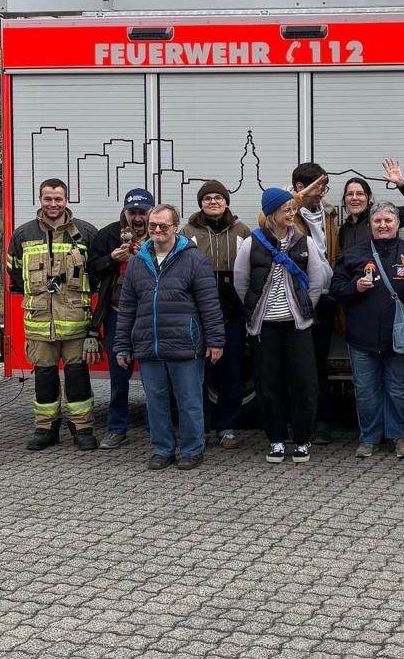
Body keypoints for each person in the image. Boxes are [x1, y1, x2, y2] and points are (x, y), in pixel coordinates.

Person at [114, 204, 225, 470]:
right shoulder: (137, 262)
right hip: (149, 345)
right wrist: (122, 346)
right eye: (153, 225)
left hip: (185, 344)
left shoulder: (194, 259)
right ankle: (162, 449)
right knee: (155, 403)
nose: (157, 230)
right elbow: (127, 308)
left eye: (163, 226)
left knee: (189, 401)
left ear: (175, 227)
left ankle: (192, 450)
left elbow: (210, 303)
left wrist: (215, 341)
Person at [233, 187, 330, 464]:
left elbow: (317, 281)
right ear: (271, 213)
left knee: (304, 384)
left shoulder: (304, 242)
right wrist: (257, 310)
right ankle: (276, 440)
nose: (291, 213)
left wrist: (304, 308)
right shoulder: (251, 243)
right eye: (286, 209)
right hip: (265, 327)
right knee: (268, 385)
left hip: (297, 326)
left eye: (292, 209)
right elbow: (241, 282)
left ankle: (302, 439)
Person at [331, 202, 404, 459]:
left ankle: (400, 437)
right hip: (361, 338)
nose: (383, 225)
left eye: (388, 220)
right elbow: (335, 290)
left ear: (397, 224)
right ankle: (369, 438)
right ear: (370, 224)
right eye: (377, 221)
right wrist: (355, 287)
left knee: (398, 389)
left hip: (399, 340)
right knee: (366, 391)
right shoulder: (353, 254)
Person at [6, 179, 100, 451]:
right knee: (44, 376)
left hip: (75, 322)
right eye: (48, 198)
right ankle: (46, 428)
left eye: (58, 199)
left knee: (77, 376)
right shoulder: (23, 235)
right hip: (39, 322)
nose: (53, 204)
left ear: (66, 200)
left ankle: (82, 427)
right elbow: (14, 273)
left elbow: (96, 273)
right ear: (40, 199)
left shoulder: (85, 233)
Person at [181, 180, 250, 450]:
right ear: (200, 203)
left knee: (231, 373)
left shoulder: (242, 231)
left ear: (226, 202)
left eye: (218, 198)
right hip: (197, 314)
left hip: (233, 315)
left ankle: (226, 427)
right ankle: (202, 427)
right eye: (207, 198)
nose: (213, 202)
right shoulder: (188, 232)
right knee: (198, 375)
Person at [89, 188, 155, 449]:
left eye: (142, 212)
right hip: (117, 314)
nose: (137, 218)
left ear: (151, 212)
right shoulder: (108, 235)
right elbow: (90, 270)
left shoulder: (160, 234)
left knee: (153, 377)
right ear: (125, 212)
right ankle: (116, 429)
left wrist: (144, 257)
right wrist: (111, 259)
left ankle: (155, 428)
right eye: (132, 212)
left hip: (150, 315)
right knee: (119, 376)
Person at [290, 164, 339, 445]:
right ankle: (298, 422)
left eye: (324, 188)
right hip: (297, 298)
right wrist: (298, 198)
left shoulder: (327, 214)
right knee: (296, 364)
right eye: (319, 187)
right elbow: (264, 219)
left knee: (319, 363)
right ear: (300, 188)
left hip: (324, 299)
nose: (322, 193)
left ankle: (322, 421)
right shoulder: (286, 212)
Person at [337, 158, 404, 253]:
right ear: (345, 198)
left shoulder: (383, 217)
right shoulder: (344, 230)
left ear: (368, 198)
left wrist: (402, 184)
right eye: (350, 194)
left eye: (360, 194)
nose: (354, 198)